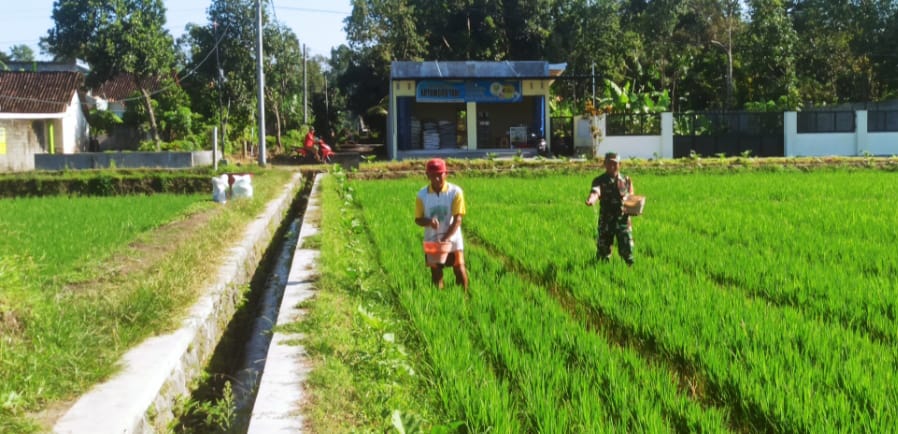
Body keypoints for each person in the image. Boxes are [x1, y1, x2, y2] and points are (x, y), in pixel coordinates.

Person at [414, 158, 469, 292]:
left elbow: (458, 220)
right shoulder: (422, 195)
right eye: (433, 175)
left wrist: (445, 239)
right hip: (432, 238)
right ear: (427, 176)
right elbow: (418, 219)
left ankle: (465, 296)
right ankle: (439, 298)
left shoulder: (455, 192)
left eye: (440, 175)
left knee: (458, 267)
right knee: (436, 271)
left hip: (453, 238)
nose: (437, 179)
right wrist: (428, 222)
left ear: (446, 174)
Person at [585, 152, 635, 266]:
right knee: (603, 249)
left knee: (627, 248)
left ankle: (629, 269)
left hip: (623, 221)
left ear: (619, 164)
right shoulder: (599, 180)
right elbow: (595, 191)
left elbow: (631, 196)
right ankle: (602, 270)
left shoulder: (626, 180)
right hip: (606, 221)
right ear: (604, 164)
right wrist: (591, 199)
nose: (612, 166)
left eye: (614, 163)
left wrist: (635, 206)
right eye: (609, 163)